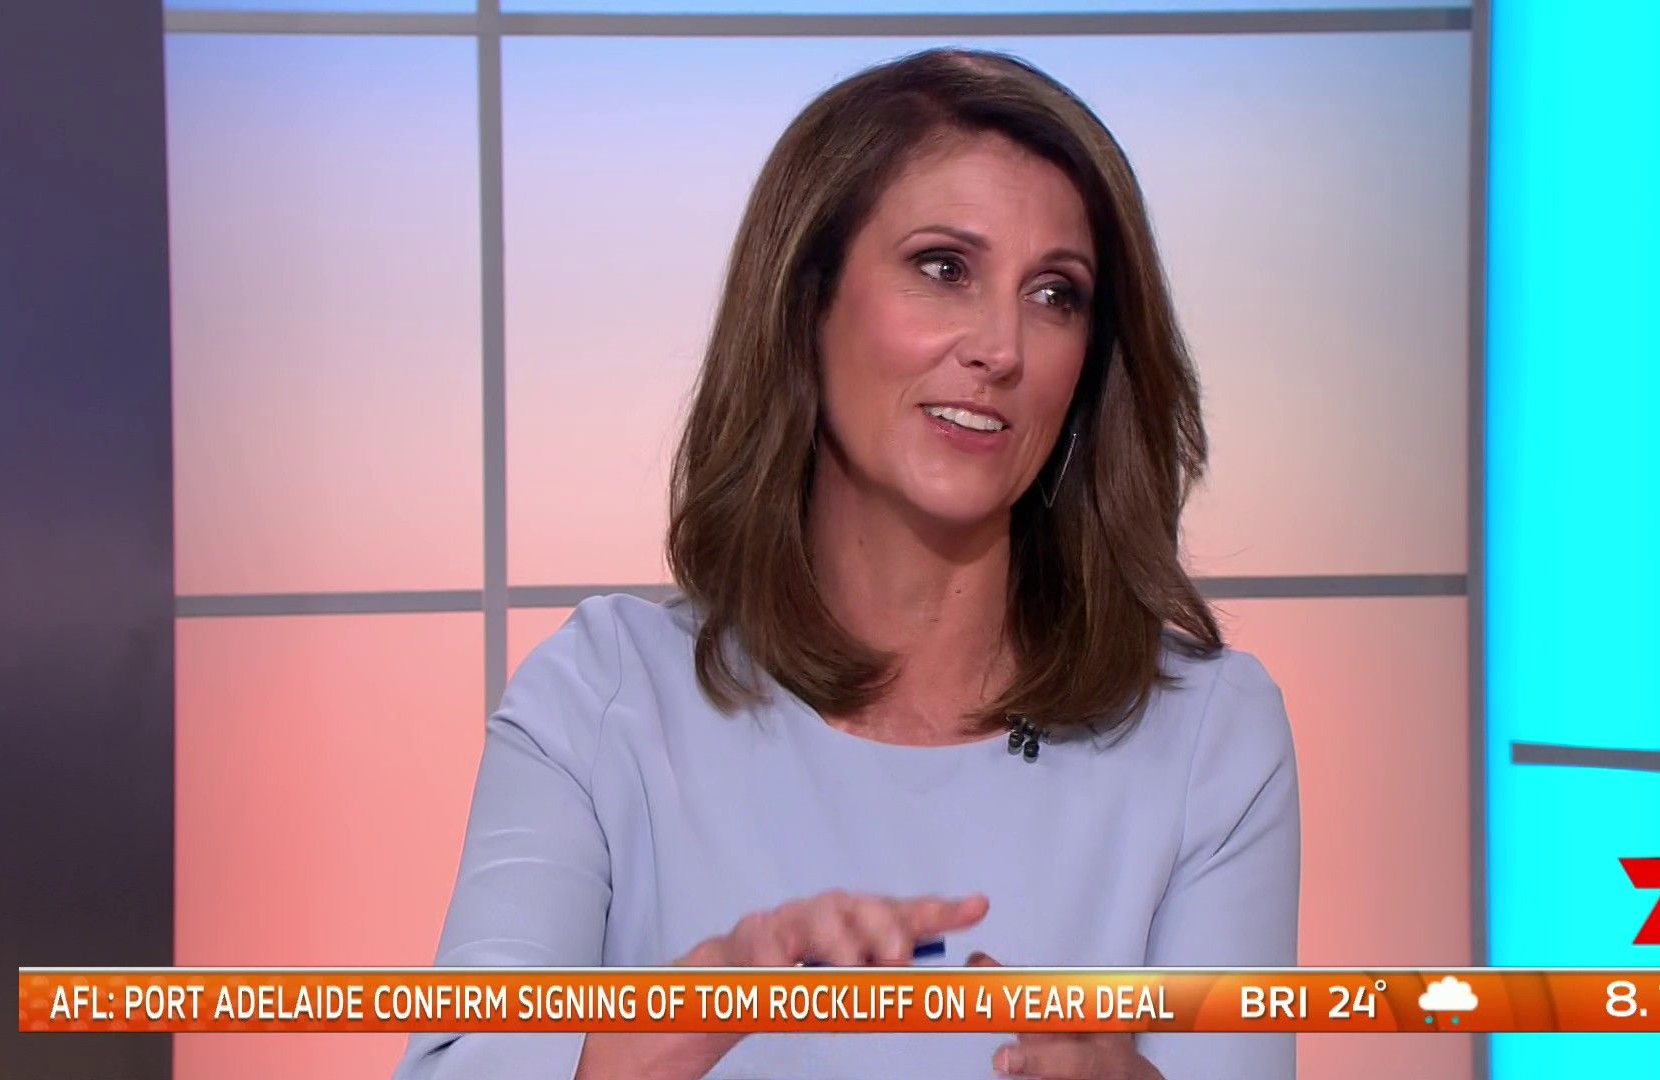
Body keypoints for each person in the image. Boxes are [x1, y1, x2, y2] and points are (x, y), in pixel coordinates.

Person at [393, 46, 1299, 1080]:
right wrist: (667, 1029)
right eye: (944, 268)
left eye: (1056, 294)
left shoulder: (1209, 736)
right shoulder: (603, 698)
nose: (1002, 346)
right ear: (806, 303)